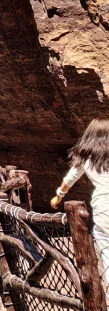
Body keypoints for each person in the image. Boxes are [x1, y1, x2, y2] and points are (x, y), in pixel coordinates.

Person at [52, 119, 109, 291]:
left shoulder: (87, 157)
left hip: (103, 205)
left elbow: (71, 178)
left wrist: (58, 196)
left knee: (107, 249)